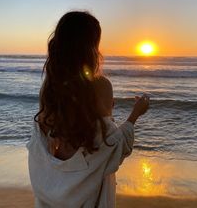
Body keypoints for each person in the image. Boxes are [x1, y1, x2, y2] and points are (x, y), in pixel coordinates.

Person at [26, 11, 149, 208]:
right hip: (88, 199)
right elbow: (110, 150)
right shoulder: (101, 86)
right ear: (91, 47)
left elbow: (53, 146)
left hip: (50, 196)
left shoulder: (49, 89)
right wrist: (135, 114)